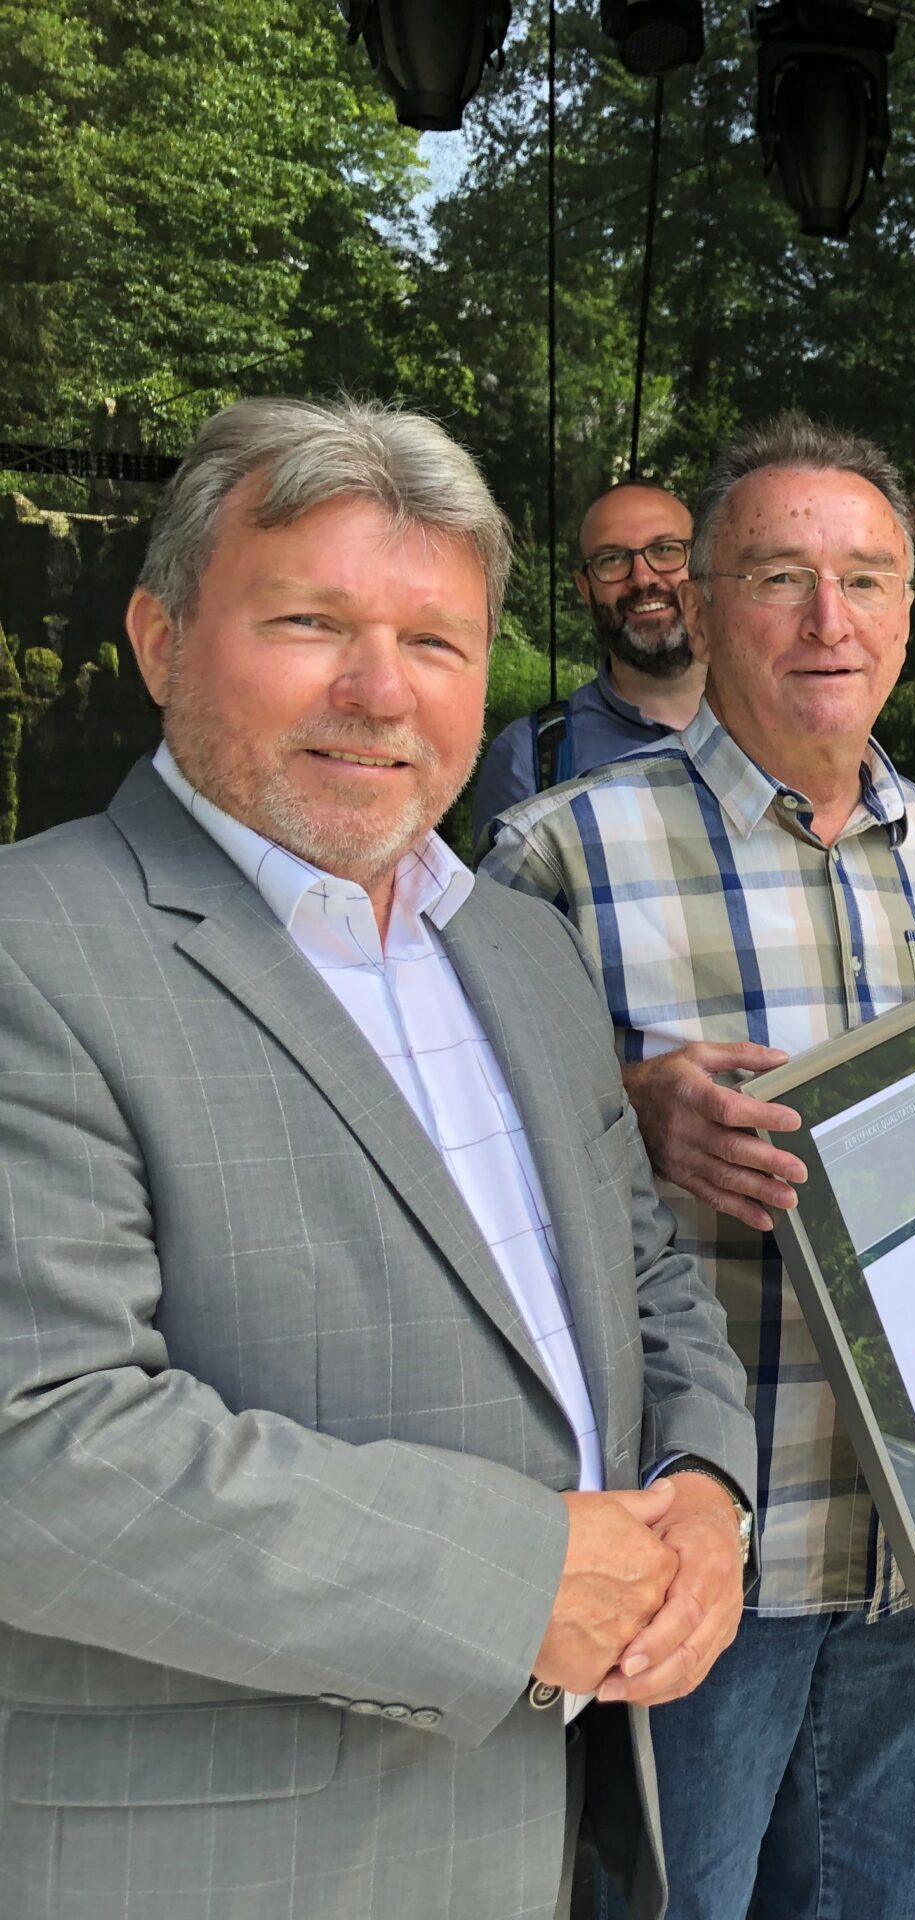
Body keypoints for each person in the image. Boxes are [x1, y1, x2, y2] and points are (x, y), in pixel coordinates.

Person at [0, 396, 757, 1920]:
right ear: (159, 639)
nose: (380, 688)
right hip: (231, 1866)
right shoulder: (35, 948)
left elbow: (647, 1270)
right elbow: (40, 1447)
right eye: (310, 622)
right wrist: (513, 1581)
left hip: (549, 1818)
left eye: (437, 641)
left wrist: (706, 1489)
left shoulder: (522, 946)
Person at [481, 415, 915, 1918]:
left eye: (867, 578)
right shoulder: (557, 854)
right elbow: (452, 1184)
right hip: (704, 1545)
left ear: (908, 609)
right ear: (705, 607)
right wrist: (628, 1114)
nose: (829, 618)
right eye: (780, 576)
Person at [470, 480, 706, 853]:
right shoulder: (531, 760)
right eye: (611, 559)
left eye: (665, 550)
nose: (642, 577)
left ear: (706, 566)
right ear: (585, 589)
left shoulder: (779, 727)